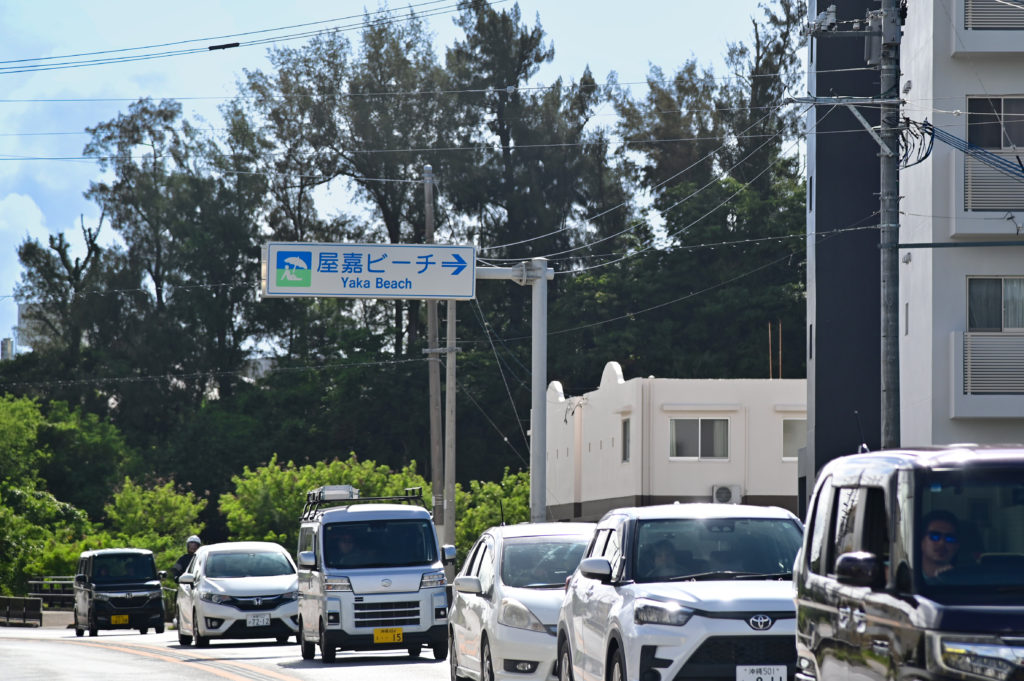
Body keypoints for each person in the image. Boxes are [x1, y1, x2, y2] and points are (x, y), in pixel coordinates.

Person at [920, 510, 959, 580]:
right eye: (935, 536)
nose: (942, 542)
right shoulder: (910, 578)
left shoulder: (963, 580)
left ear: (956, 546)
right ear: (922, 541)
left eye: (949, 538)